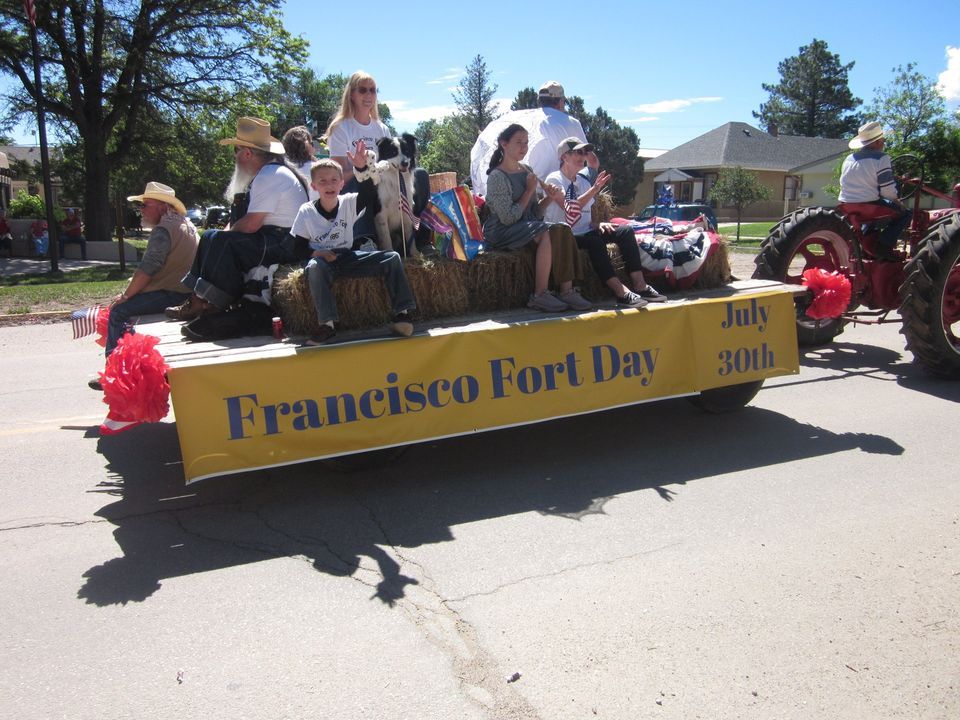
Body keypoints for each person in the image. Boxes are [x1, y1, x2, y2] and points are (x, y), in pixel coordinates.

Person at [170, 116, 308, 324]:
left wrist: (227, 233)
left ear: (247, 153)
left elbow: (251, 224)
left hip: (284, 242)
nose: (235, 158)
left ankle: (213, 302)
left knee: (219, 241)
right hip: (281, 237)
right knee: (211, 237)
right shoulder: (274, 172)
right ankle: (199, 299)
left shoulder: (269, 175)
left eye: (236, 151)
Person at [289, 146, 416, 345]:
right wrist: (318, 253)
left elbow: (367, 194)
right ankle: (327, 325)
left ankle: (403, 314)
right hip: (322, 262)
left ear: (341, 184)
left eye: (333, 180)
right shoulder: (306, 211)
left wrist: (361, 167)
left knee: (392, 257)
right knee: (313, 267)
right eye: (322, 181)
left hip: (348, 257)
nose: (328, 185)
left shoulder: (348, 202)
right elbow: (296, 248)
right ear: (314, 186)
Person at [88, 182, 198, 390]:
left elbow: (147, 269)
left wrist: (126, 295)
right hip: (186, 291)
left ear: (163, 207)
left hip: (173, 293)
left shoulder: (164, 230)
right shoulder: (186, 224)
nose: (141, 210)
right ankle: (131, 364)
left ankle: (114, 373)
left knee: (119, 311)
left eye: (146, 205)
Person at [544, 138, 666, 308]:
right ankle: (621, 292)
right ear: (564, 157)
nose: (582, 156)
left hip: (586, 231)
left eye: (583, 153)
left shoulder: (583, 181)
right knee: (595, 242)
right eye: (578, 152)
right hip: (565, 236)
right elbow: (570, 208)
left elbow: (587, 213)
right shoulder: (554, 179)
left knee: (625, 231)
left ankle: (640, 285)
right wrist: (594, 190)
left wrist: (598, 224)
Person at [482, 124, 590, 312]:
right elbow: (508, 218)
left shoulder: (527, 170)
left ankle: (567, 291)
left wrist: (550, 197)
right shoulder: (497, 177)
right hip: (500, 231)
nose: (523, 147)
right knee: (544, 230)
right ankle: (539, 295)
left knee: (561, 228)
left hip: (523, 226)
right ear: (504, 144)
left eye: (526, 143)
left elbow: (534, 214)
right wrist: (530, 190)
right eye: (518, 142)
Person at [323, 70, 430, 246]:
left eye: (372, 90)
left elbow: (392, 163)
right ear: (351, 94)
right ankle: (365, 240)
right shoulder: (341, 128)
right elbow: (336, 174)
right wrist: (360, 169)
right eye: (362, 90)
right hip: (355, 185)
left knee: (421, 175)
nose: (368, 95)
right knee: (363, 182)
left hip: (383, 182)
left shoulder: (381, 128)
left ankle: (417, 233)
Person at [470, 80, 595, 196]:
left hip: (531, 192)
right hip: (562, 191)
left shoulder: (525, 118)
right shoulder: (571, 122)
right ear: (560, 102)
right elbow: (592, 160)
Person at [838, 121, 910, 261]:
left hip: (845, 204)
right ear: (877, 142)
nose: (883, 143)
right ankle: (883, 246)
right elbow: (887, 190)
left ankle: (868, 247)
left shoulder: (849, 158)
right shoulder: (882, 158)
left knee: (874, 215)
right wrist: (897, 200)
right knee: (905, 213)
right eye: (882, 140)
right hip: (868, 204)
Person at [282, 125, 319, 201]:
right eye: (312, 143)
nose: (313, 147)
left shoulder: (282, 169)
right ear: (307, 147)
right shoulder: (318, 168)